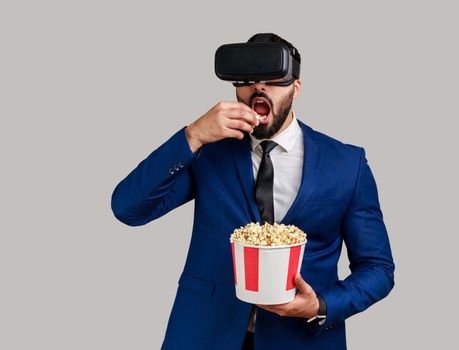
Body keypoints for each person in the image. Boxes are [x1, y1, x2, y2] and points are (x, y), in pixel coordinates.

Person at [111, 33, 395, 350]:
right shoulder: (209, 151)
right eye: (247, 79)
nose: (259, 87)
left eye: (272, 79)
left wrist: (321, 306)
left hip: (301, 339)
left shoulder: (346, 163)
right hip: (205, 334)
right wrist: (192, 136)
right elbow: (128, 208)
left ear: (296, 88)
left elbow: (378, 269)